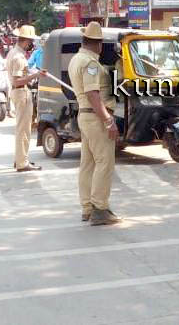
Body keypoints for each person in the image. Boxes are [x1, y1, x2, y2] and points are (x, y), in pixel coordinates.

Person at [69, 21, 120, 226]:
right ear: (98, 44)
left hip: (85, 116)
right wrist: (108, 120)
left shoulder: (76, 59)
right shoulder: (90, 63)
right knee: (104, 162)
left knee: (88, 164)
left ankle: (87, 207)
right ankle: (100, 208)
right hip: (96, 116)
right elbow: (92, 94)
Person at [6, 25, 44, 172]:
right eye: (30, 41)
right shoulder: (19, 57)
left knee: (22, 129)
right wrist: (36, 75)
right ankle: (22, 162)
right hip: (21, 92)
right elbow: (17, 80)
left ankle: (20, 159)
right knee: (23, 130)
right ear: (26, 41)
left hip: (19, 92)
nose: (31, 45)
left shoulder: (14, 53)